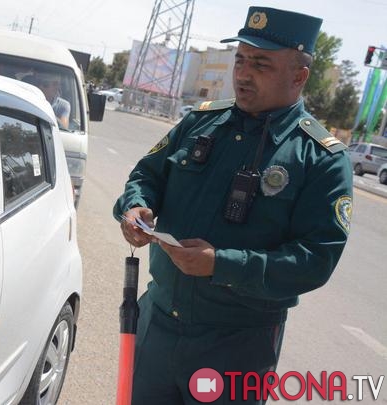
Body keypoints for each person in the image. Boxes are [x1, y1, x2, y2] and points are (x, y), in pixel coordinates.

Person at [113, 6, 352, 404]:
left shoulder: (320, 159)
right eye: (240, 59)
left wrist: (220, 264)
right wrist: (136, 207)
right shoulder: (201, 122)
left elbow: (314, 260)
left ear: (299, 76)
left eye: (260, 64)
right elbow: (146, 176)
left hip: (236, 347)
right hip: (158, 324)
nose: (242, 73)